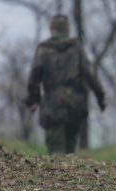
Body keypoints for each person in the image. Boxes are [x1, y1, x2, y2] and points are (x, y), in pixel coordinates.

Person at [24, 15, 106, 154]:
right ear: (68, 30)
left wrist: (33, 100)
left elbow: (35, 77)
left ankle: (57, 175)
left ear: (52, 30)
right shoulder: (77, 48)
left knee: (56, 152)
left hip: (52, 106)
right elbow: (90, 74)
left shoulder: (44, 50)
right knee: (70, 151)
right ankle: (70, 174)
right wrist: (100, 97)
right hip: (75, 105)